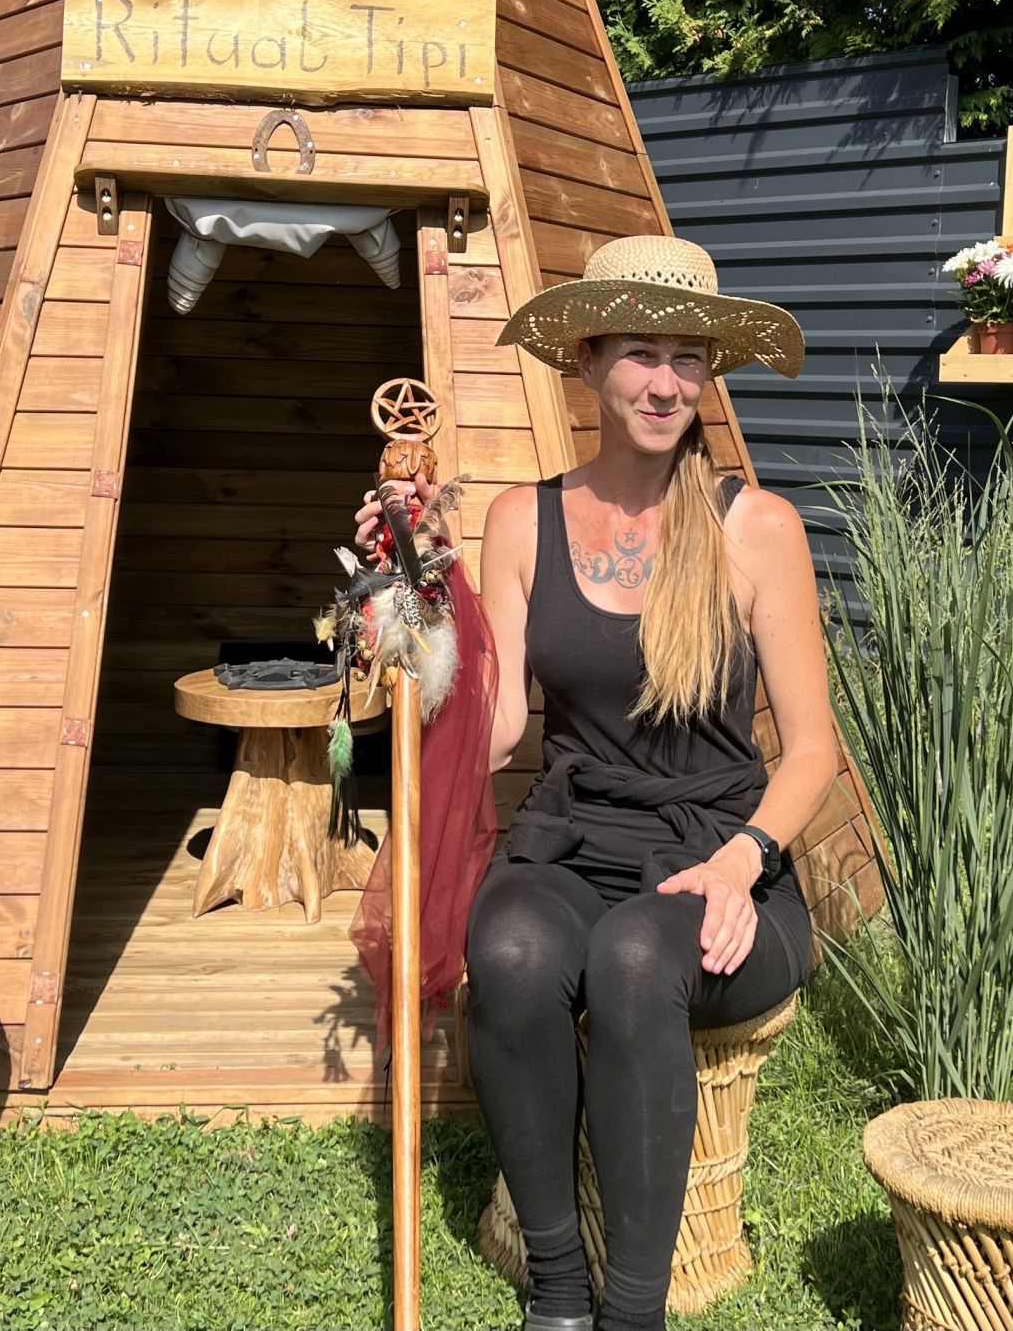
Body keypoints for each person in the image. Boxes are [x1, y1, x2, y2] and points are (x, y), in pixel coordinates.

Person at [353, 235, 838, 1331]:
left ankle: (634, 1311)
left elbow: (811, 747)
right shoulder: (524, 519)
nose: (666, 381)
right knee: (513, 947)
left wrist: (739, 858)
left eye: (688, 358)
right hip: (570, 842)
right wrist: (415, 604)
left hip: (725, 862)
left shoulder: (755, 528)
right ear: (587, 360)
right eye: (640, 353)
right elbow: (504, 721)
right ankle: (561, 1296)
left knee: (631, 958)